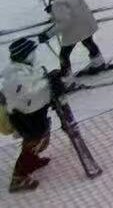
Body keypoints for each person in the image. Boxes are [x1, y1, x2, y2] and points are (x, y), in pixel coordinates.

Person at [2, 37, 54, 192]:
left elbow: (35, 82)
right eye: (32, 52)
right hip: (24, 116)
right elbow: (28, 94)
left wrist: (48, 79)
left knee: (40, 138)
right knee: (34, 142)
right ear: (24, 55)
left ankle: (32, 160)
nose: (34, 54)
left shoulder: (27, 67)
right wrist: (48, 85)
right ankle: (18, 178)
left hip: (34, 111)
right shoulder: (15, 75)